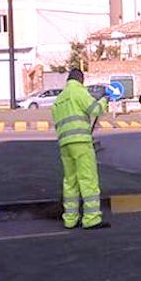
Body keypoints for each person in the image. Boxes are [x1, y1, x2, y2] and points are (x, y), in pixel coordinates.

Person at [52, 69, 113, 230]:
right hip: (81, 143)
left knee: (70, 181)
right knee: (88, 179)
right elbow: (95, 110)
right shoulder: (78, 92)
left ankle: (70, 219)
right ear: (81, 79)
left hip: (65, 145)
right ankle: (91, 218)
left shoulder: (59, 99)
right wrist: (106, 99)